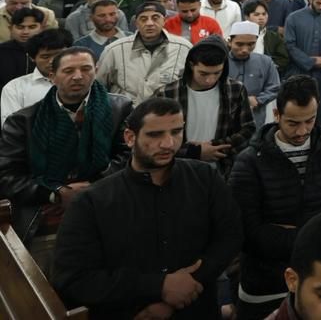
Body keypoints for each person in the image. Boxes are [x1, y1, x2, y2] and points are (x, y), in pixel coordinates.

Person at [52, 96, 242, 320]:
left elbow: (230, 237)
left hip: (197, 309)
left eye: (176, 132)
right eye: (155, 135)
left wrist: (189, 283)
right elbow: (72, 279)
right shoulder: (92, 202)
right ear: (130, 137)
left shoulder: (205, 178)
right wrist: (158, 287)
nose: (168, 143)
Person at [229, 74, 321, 320]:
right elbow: (247, 232)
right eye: (292, 123)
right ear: (276, 115)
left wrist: (285, 233)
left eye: (310, 121)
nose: (302, 131)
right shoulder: (250, 161)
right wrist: (316, 234)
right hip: (265, 284)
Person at [0, 45, 132, 274]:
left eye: (86, 69)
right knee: (48, 289)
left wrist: (93, 186)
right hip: (46, 220)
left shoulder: (121, 108)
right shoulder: (24, 120)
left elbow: (129, 157)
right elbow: (7, 176)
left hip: (108, 211)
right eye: (69, 70)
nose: (78, 76)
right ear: (52, 76)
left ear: (96, 70)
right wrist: (56, 193)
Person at [159, 38, 256, 180]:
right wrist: (195, 152)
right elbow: (156, 137)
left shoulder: (235, 90)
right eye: (203, 74)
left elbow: (248, 129)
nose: (210, 80)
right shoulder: (168, 93)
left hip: (222, 170)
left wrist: (215, 147)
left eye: (217, 73)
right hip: (176, 170)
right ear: (191, 65)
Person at [97, 1, 192, 105]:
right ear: (136, 23)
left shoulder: (183, 48)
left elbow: (192, 86)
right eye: (143, 19)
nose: (149, 23)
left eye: (155, 18)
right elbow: (98, 87)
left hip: (168, 112)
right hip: (127, 113)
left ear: (164, 20)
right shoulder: (114, 50)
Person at [283, 0, 321, 131]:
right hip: (299, 72)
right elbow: (290, 45)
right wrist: (311, 61)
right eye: (319, 3)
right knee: (299, 111)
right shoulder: (294, 18)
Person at [0, 27, 71, 121]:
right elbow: (11, 125)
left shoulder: (86, 83)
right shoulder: (15, 88)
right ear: (32, 58)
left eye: (59, 55)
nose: (52, 61)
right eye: (45, 56)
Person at [227, 20, 283, 127]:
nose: (245, 49)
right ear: (230, 42)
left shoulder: (265, 62)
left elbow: (275, 88)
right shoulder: (221, 62)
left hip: (255, 119)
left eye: (250, 44)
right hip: (226, 119)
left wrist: (258, 100)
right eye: (239, 44)